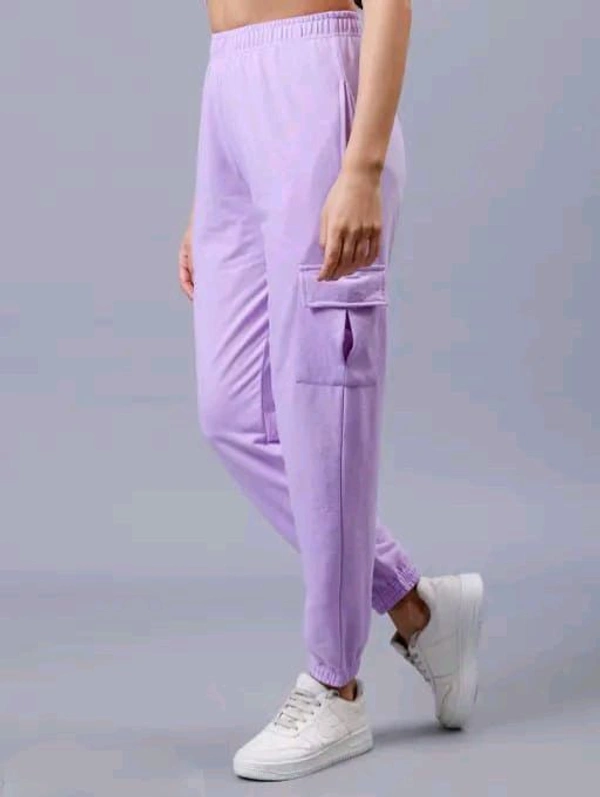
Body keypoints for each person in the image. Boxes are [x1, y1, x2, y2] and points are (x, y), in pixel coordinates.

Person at [178, 0, 484, 781]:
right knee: (232, 410)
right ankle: (417, 608)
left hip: (317, 82)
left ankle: (336, 687)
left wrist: (363, 166)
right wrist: (212, 189)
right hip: (230, 88)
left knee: (323, 413)